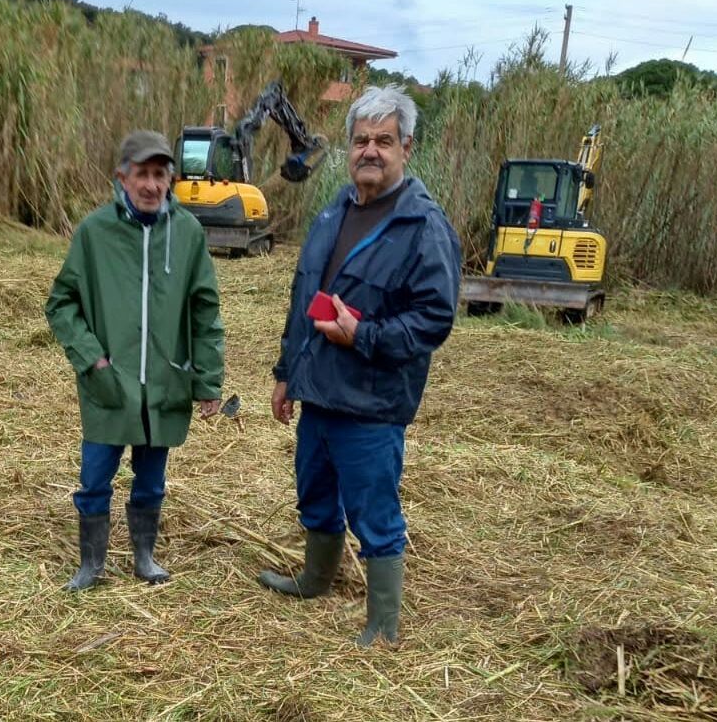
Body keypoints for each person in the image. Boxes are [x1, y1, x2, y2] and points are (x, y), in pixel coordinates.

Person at [258, 86, 461, 646]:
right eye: (361, 140)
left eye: (384, 141)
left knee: (374, 511)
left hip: (372, 402)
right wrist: (284, 373)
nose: (370, 150)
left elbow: (433, 320)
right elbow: (304, 298)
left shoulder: (423, 227)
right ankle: (315, 578)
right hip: (318, 392)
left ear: (407, 148)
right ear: (349, 147)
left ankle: (383, 622)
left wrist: (363, 335)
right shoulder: (333, 212)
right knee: (314, 492)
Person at [45, 130, 225, 591]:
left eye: (159, 175)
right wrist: (93, 360)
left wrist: (207, 380)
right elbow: (62, 302)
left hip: (164, 384)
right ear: (121, 177)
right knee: (94, 479)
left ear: (170, 179)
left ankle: (145, 556)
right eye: (141, 174)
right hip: (110, 383)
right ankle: (92, 564)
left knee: (151, 480)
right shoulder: (94, 233)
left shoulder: (187, 234)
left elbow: (205, 310)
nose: (151, 185)